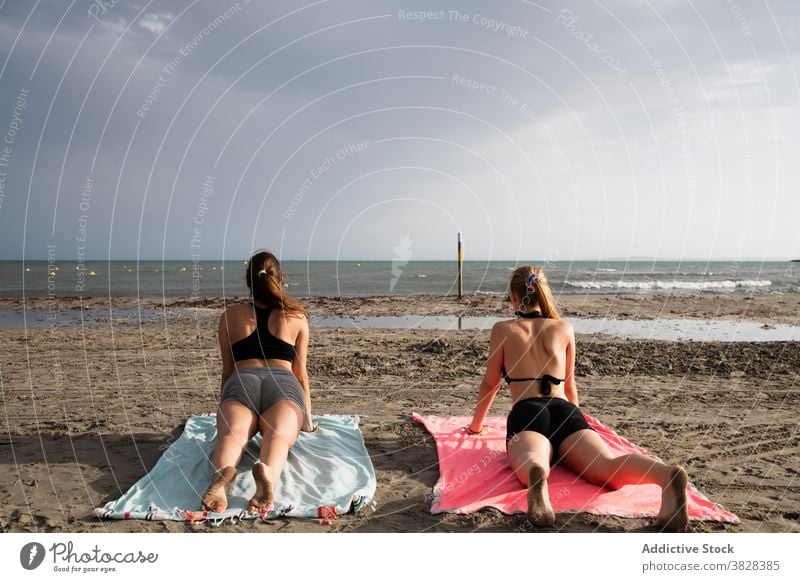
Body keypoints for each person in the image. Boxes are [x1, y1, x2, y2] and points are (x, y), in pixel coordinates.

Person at [466, 265, 689, 531]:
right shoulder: (564, 328)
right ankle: (664, 474)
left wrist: (476, 427)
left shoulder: (503, 329)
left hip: (528, 412)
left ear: (514, 296)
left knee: (532, 460)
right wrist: (578, 422)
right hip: (565, 412)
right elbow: (570, 385)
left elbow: (490, 384)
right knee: (608, 466)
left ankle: (538, 476)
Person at [200, 251, 316, 515]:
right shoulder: (297, 317)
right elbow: (301, 373)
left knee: (234, 434)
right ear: (280, 278)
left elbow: (227, 370)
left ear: (249, 281)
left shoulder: (229, 316)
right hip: (283, 384)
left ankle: (223, 477)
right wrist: (307, 418)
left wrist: (225, 403)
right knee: (277, 436)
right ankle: (268, 475)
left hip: (242, 381)